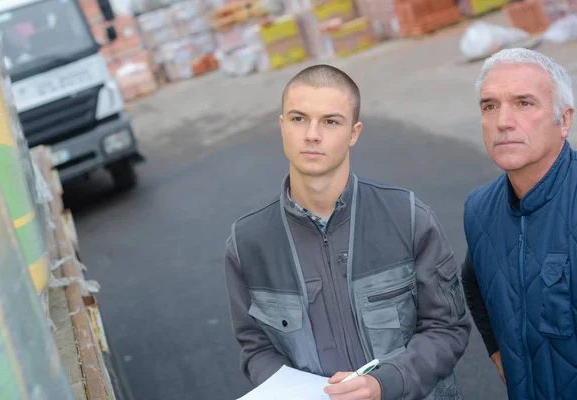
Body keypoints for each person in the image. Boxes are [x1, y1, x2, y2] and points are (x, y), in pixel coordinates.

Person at [224, 64, 471, 400]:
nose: (312, 134)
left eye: (330, 121)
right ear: (282, 126)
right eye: (299, 119)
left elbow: (447, 328)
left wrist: (386, 383)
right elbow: (256, 348)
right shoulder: (248, 244)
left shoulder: (407, 217)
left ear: (354, 132)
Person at [462, 48, 577, 400]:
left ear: (565, 120)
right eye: (490, 106)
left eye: (524, 103)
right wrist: (500, 356)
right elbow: (474, 283)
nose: (503, 121)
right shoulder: (480, 209)